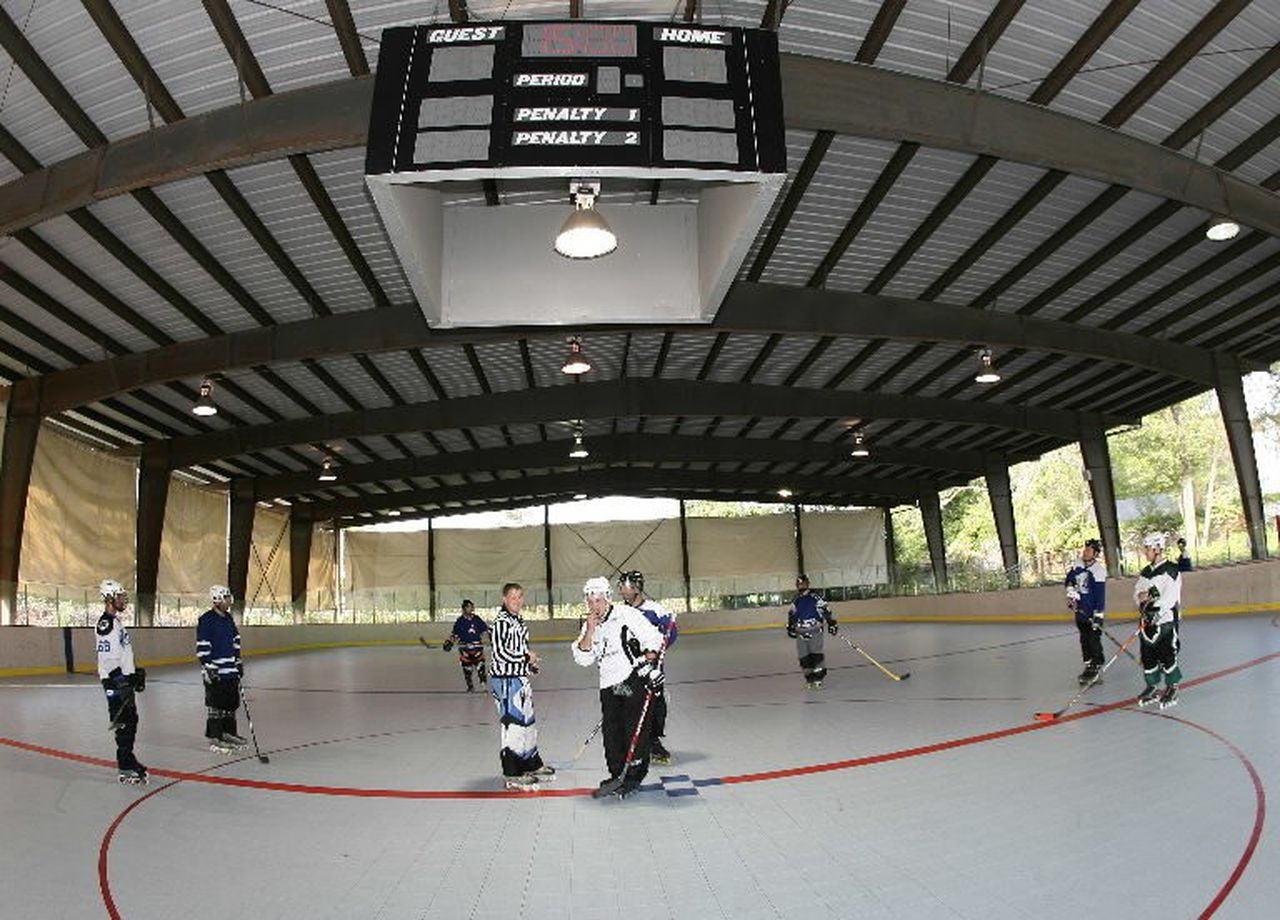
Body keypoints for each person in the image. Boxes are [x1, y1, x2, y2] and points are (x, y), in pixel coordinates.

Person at [572, 576, 665, 799]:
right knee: (611, 734)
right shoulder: (590, 625)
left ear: (608, 598)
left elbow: (654, 638)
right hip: (608, 685)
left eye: (599, 600)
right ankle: (617, 775)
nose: (595, 606)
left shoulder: (627, 615)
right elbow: (583, 658)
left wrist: (650, 665)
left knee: (633, 732)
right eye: (591, 601)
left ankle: (632, 777)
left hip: (631, 681)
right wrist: (590, 630)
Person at [489, 582, 553, 790]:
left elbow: (518, 650)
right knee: (514, 724)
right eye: (513, 597)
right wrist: (526, 656)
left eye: (520, 596)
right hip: (506, 680)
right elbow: (500, 652)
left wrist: (530, 665)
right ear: (504, 599)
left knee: (528, 723)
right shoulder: (501, 622)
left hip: (519, 678)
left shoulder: (518, 621)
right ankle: (512, 771)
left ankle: (530, 763)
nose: (517, 601)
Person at [617, 570, 677, 764]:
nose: (620, 591)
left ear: (636, 588)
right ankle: (632, 744)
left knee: (657, 706)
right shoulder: (620, 612)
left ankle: (653, 742)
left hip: (652, 669)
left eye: (623, 586)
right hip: (630, 670)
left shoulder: (655, 610)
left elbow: (671, 632)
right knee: (630, 707)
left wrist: (656, 650)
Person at [96, 580, 147, 784]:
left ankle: (129, 758)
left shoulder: (116, 622)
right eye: (118, 596)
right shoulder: (106, 624)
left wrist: (133, 674)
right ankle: (124, 766)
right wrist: (122, 680)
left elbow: (122, 653)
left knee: (131, 721)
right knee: (124, 724)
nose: (122, 599)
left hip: (123, 681)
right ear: (109, 598)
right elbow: (108, 660)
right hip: (115, 683)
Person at [1134, 533, 1183, 709]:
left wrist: (1157, 611)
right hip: (1146, 621)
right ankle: (1152, 686)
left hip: (1165, 621)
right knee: (1148, 656)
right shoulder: (1146, 572)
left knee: (1166, 654)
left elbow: (1170, 597)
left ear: (1156, 549)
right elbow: (1138, 593)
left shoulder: (1171, 569)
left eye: (1147, 549)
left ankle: (1172, 686)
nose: (1145, 552)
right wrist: (1143, 597)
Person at [196, 585, 247, 754]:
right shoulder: (206, 620)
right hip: (215, 671)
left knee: (230, 704)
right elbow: (202, 645)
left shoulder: (228, 618)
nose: (229, 601)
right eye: (226, 598)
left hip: (230, 670)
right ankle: (215, 737)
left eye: (229, 597)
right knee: (215, 705)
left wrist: (237, 661)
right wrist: (209, 666)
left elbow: (235, 640)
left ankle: (228, 733)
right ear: (217, 600)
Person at [1064, 538, 1108, 685]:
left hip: (1092, 612)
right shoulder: (1078, 565)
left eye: (1088, 550)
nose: (1085, 552)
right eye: (1085, 549)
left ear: (1095, 554)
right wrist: (1070, 592)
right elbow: (1069, 579)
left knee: (1094, 640)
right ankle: (1088, 666)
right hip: (1080, 612)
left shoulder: (1099, 571)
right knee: (1084, 640)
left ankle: (1096, 666)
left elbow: (1100, 595)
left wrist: (1098, 615)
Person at [786, 574, 838, 689]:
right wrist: (790, 626)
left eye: (803, 583)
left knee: (816, 654)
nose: (801, 585)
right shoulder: (796, 599)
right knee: (803, 656)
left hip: (815, 630)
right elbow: (792, 614)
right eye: (799, 584)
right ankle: (809, 678)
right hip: (800, 632)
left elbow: (825, 610)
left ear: (807, 583)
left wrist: (831, 623)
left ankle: (818, 677)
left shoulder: (816, 596)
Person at [445, 599, 490, 692]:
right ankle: (470, 686)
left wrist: (492, 640)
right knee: (467, 670)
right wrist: (449, 642)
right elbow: (455, 635)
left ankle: (483, 685)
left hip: (477, 648)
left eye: (472, 606)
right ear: (464, 608)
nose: (472, 608)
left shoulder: (477, 619)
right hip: (465, 649)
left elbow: (485, 631)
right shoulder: (460, 621)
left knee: (481, 668)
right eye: (470, 607)